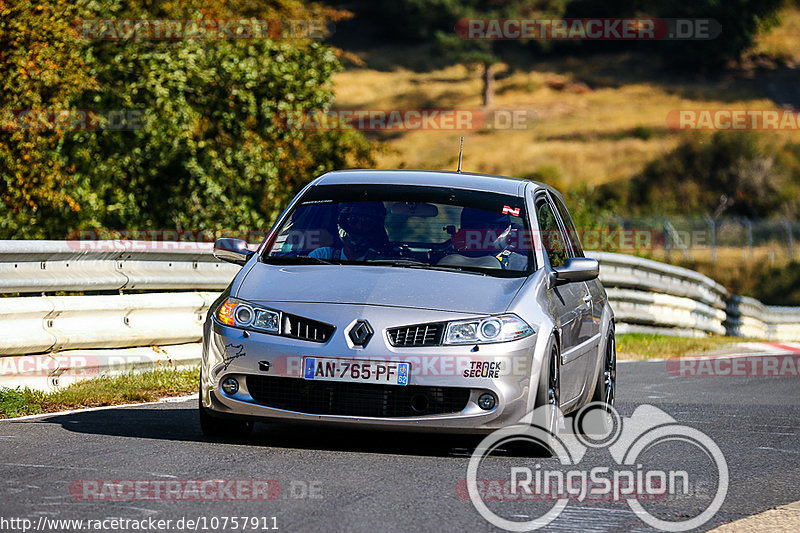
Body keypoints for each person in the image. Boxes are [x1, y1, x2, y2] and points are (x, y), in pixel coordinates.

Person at [309, 202, 387, 261]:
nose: (359, 227)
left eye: (366, 222)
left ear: (375, 227)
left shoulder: (385, 261)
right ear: (343, 223)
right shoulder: (321, 257)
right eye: (353, 220)